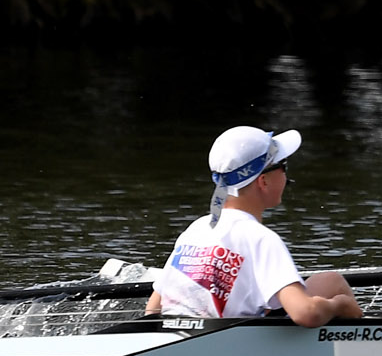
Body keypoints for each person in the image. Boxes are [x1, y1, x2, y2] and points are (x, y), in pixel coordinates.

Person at [145, 126, 364, 327]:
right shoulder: (261, 238)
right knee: (333, 283)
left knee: (326, 280)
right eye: (283, 166)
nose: (287, 176)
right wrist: (339, 305)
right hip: (234, 342)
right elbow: (305, 314)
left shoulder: (196, 228)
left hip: (185, 334)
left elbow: (153, 308)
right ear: (264, 181)